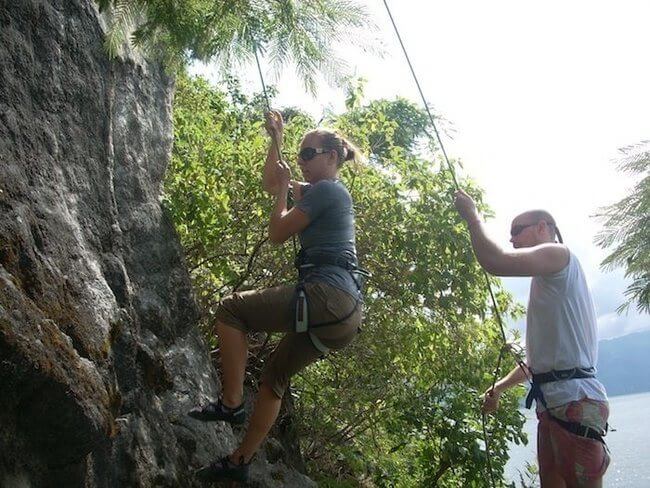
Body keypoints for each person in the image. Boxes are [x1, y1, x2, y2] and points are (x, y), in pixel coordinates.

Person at [190, 111, 364, 483]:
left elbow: (277, 232)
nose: (302, 160)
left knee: (231, 310)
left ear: (332, 157)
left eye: (308, 153)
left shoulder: (329, 190)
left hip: (327, 293)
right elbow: (273, 184)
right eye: (299, 154)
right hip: (344, 315)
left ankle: (231, 403)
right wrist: (276, 141)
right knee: (274, 378)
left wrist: (283, 192)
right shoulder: (321, 192)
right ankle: (240, 461)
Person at [454, 189, 610, 488]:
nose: (512, 239)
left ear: (543, 228)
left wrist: (472, 217)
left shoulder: (559, 254)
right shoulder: (549, 282)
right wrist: (499, 388)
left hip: (574, 399)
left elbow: (495, 261)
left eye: (517, 230)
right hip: (554, 404)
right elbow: (535, 363)